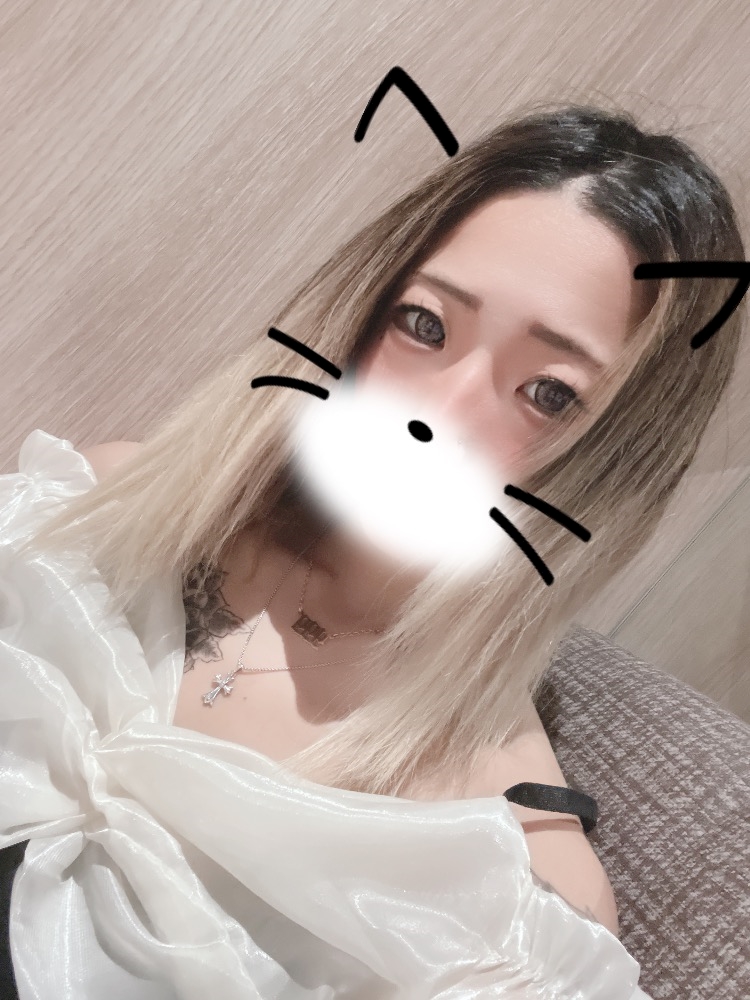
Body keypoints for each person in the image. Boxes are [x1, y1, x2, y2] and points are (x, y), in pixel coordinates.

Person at [0, 103, 744, 998]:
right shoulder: (91, 517)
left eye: (548, 393)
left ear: (611, 464)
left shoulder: (505, 890)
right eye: (425, 325)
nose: (438, 412)